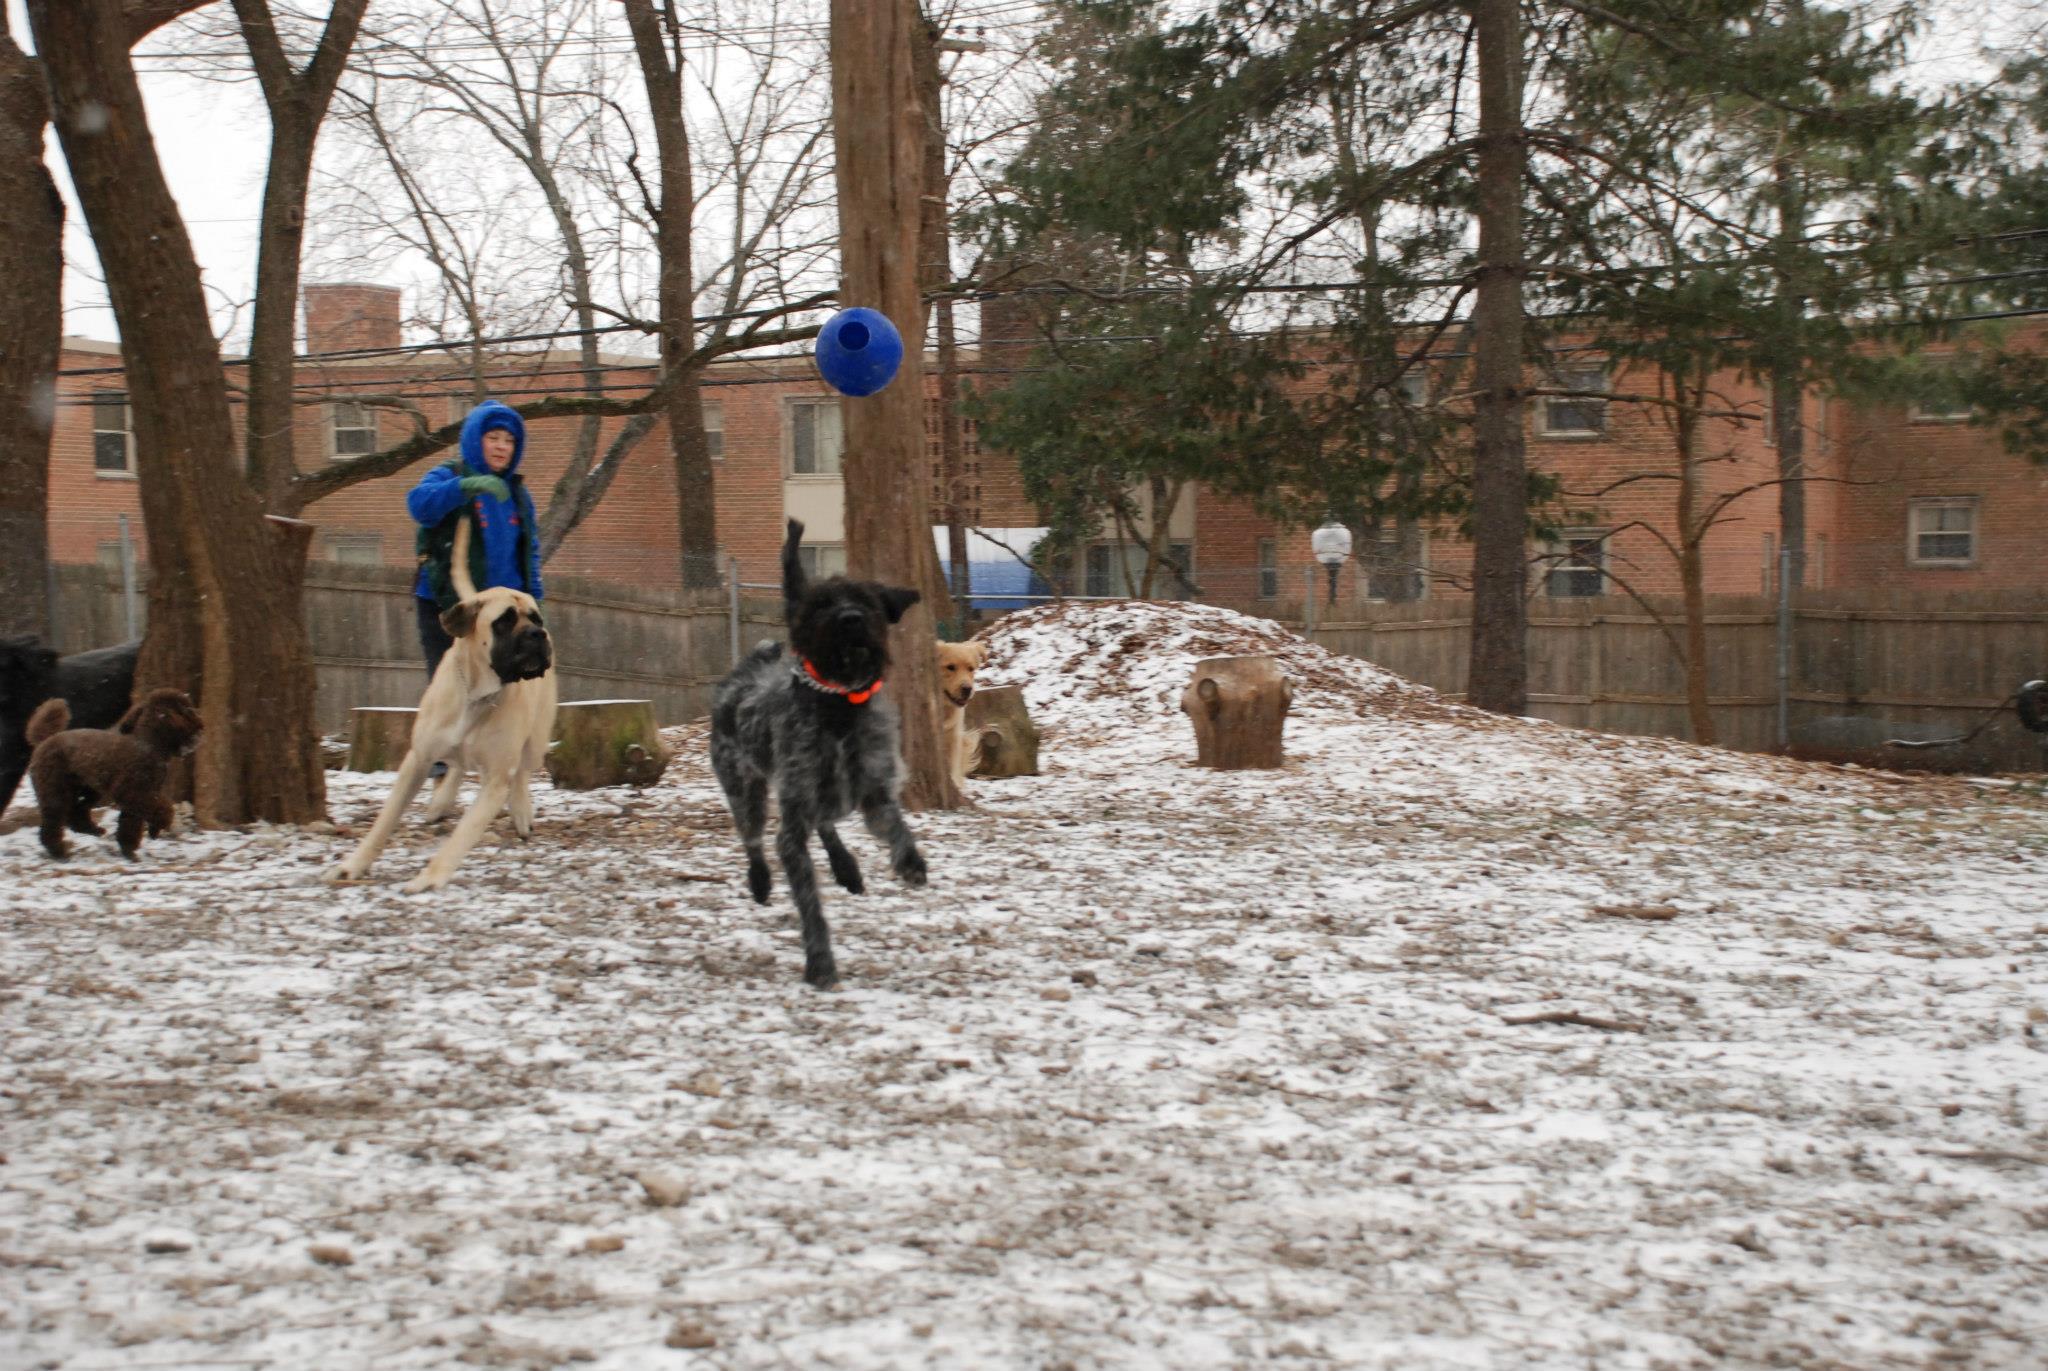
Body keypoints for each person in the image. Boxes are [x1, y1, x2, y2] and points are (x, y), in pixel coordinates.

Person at [408, 399, 544, 679]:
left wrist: (535, 602)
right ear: (475, 440)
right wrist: (465, 487)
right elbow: (419, 505)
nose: (501, 446)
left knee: (502, 695)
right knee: (451, 690)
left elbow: (528, 552)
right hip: (448, 608)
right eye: (492, 438)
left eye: (509, 440)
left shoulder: (518, 494)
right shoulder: (449, 475)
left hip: (501, 619)